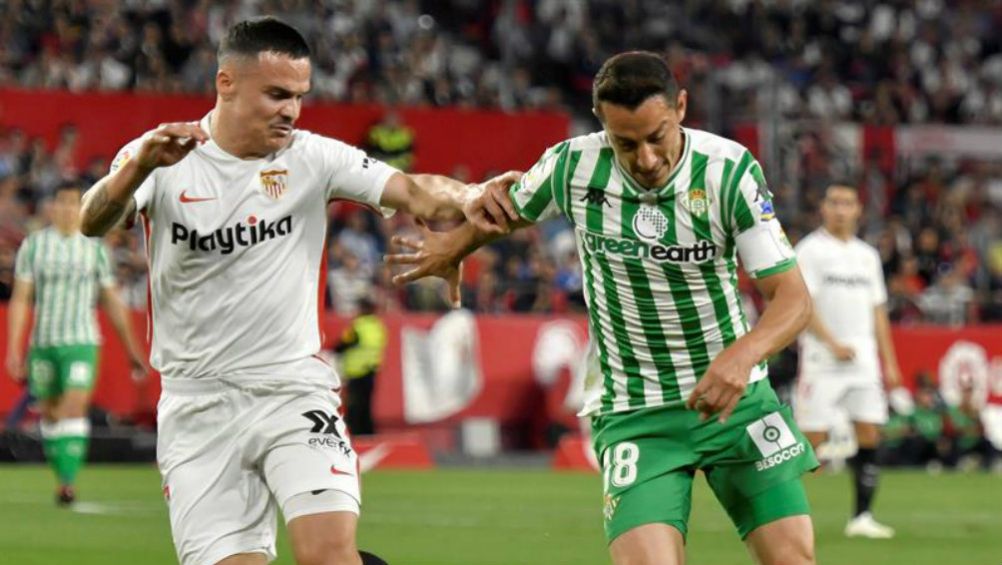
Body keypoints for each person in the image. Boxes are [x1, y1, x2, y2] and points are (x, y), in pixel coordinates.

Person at [78, 17, 511, 565]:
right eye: (277, 94)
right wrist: (135, 169)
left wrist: (471, 194)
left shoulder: (312, 158)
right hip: (196, 405)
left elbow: (418, 191)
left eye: (299, 97)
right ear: (226, 83)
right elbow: (94, 221)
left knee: (329, 554)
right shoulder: (162, 156)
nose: (291, 110)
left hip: (292, 390)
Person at [388, 51, 818, 565]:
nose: (646, 159)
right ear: (602, 126)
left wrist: (743, 356)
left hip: (735, 400)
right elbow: (504, 210)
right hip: (635, 411)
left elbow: (793, 298)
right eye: (625, 143)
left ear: (681, 107)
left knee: (793, 559)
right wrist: (451, 248)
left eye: (657, 136)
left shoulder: (728, 171)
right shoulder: (572, 164)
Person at [5, 181, 147, 506]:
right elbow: (22, 298)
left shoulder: (95, 249)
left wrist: (132, 350)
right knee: (52, 415)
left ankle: (68, 483)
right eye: (63, 202)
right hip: (44, 343)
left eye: (74, 203)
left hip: (82, 341)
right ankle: (62, 476)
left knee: (73, 407)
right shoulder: (34, 247)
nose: (68, 209)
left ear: (81, 208)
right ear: (52, 207)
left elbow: (111, 300)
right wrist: (14, 349)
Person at [793, 183, 903, 538]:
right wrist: (833, 343)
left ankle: (862, 518)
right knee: (812, 441)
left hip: (864, 361)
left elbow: (878, 312)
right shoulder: (809, 251)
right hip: (822, 359)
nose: (841, 209)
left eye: (847, 203)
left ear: (859, 210)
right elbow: (801, 306)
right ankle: (779, 517)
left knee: (869, 432)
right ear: (823, 208)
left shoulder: (867, 256)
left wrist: (890, 363)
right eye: (834, 202)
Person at [334, 296, 386, 435]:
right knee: (366, 406)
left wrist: (334, 348)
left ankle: (356, 435)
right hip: (371, 370)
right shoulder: (377, 326)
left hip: (356, 372)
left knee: (354, 407)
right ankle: (368, 434)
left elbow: (343, 345)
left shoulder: (359, 326)